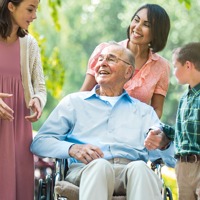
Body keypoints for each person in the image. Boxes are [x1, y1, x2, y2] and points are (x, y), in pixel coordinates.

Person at [31, 43, 175, 200]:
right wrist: (71, 148)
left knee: (140, 168)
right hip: (86, 169)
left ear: (128, 72)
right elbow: (40, 142)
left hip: (129, 171)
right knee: (100, 166)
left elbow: (172, 160)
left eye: (111, 59)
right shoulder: (74, 102)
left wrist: (164, 143)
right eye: (100, 59)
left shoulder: (144, 112)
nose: (102, 63)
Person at [80, 3, 171, 119]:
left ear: (157, 32)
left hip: (132, 131)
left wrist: (145, 130)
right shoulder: (104, 51)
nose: (137, 27)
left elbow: (157, 109)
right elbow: (83, 93)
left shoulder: (162, 66)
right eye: (136, 20)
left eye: (146, 25)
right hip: (95, 122)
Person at [0, 0, 46, 200]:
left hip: (19, 126)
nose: (34, 15)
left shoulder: (29, 44)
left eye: (35, 9)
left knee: (20, 189)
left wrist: (37, 100)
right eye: (30, 9)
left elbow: (40, 87)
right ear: (11, 6)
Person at [159, 43, 200, 200]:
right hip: (183, 166)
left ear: (188, 65)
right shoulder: (184, 98)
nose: (173, 73)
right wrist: (161, 129)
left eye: (175, 67)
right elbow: (183, 134)